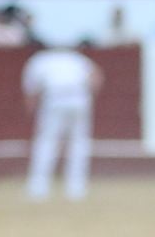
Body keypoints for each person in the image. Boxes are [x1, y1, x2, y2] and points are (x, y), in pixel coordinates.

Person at [21, 41, 103, 201]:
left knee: (47, 142)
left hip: (55, 99)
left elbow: (31, 89)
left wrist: (30, 108)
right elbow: (96, 76)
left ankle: (38, 188)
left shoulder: (39, 60)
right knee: (79, 143)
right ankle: (76, 189)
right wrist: (91, 96)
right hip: (79, 99)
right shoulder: (76, 58)